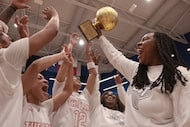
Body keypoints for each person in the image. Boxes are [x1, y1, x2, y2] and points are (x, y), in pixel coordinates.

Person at [95, 26, 190, 127]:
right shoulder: (136, 72)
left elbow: (186, 120)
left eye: (145, 39)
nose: (139, 43)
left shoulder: (180, 75)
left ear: (159, 45)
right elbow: (116, 57)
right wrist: (100, 37)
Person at [0, 0, 59, 126]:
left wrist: (12, 7)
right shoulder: (6, 57)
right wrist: (54, 15)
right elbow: (52, 30)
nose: (10, 38)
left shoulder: (7, 62)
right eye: (6, 36)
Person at [51, 35, 98, 127]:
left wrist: (87, 54)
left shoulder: (84, 96)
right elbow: (66, 62)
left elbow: (93, 74)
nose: (78, 78)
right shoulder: (60, 91)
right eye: (74, 76)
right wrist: (71, 44)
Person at [21, 45, 73, 127]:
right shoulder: (19, 104)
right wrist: (61, 55)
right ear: (28, 83)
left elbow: (67, 91)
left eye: (44, 78)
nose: (46, 81)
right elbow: (35, 66)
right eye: (39, 78)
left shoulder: (45, 107)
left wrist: (69, 65)